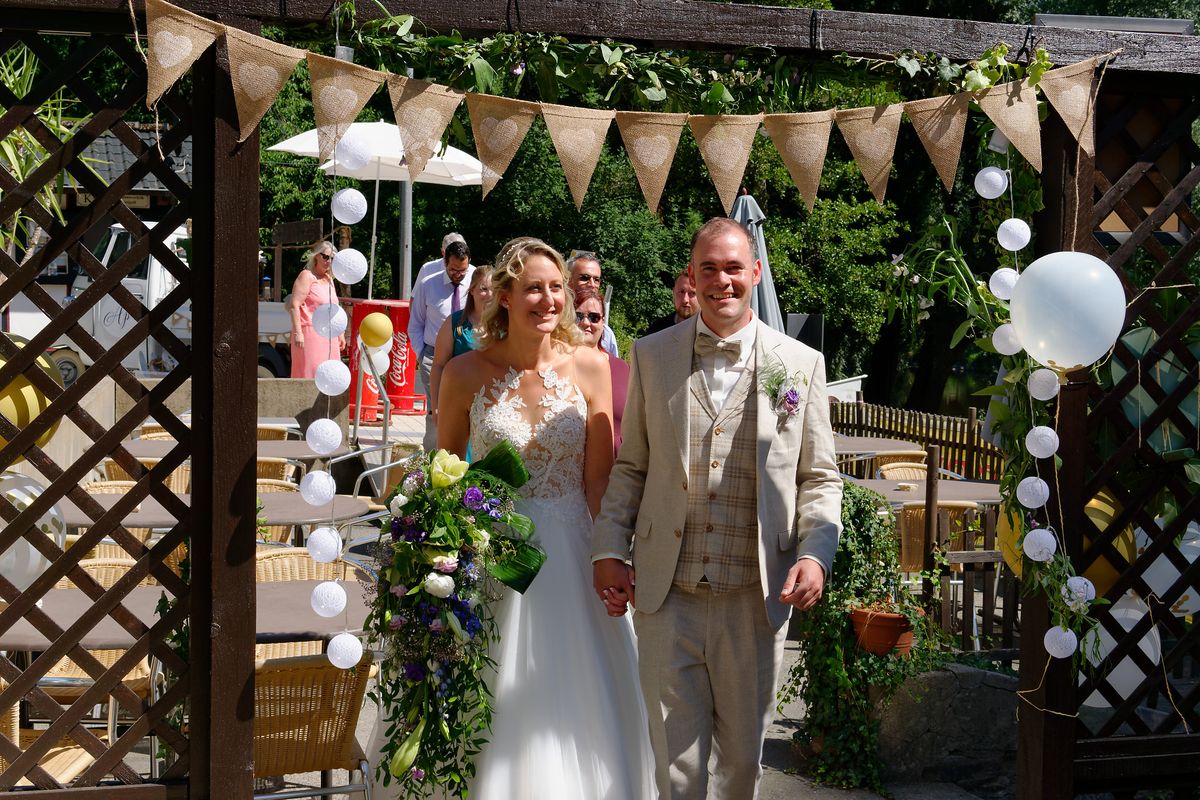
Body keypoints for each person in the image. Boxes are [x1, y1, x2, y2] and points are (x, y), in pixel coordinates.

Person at [591, 217, 843, 800]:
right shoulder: (651, 355)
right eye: (709, 269)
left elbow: (819, 476)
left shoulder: (799, 364)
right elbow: (631, 469)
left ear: (755, 272)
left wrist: (816, 554)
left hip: (755, 598)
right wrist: (609, 546)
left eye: (734, 268)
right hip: (665, 592)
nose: (721, 281)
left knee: (739, 768)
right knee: (674, 767)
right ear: (692, 276)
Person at [437, 237, 655, 799]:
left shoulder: (591, 366)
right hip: (494, 559)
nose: (549, 299)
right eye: (534, 287)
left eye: (556, 287)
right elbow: (448, 474)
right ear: (505, 295)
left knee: (577, 700)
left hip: (572, 557)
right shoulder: (464, 373)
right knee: (491, 696)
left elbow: (599, 479)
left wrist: (614, 553)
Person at [408, 239, 473, 451]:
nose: (458, 274)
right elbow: (416, 323)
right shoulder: (429, 283)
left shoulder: (476, 282)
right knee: (436, 408)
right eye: (454, 269)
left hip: (464, 355)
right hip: (432, 356)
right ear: (445, 262)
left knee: (463, 408)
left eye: (462, 270)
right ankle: (432, 456)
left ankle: (460, 454)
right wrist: (421, 354)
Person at [427, 264, 493, 425]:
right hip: (458, 404)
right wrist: (436, 405)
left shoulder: (507, 325)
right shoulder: (455, 322)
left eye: (495, 289)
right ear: (472, 290)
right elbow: (438, 366)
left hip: (493, 406)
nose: (490, 295)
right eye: (483, 289)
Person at [574, 283, 629, 455]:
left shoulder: (622, 368)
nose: (585, 323)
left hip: (616, 469)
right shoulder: (559, 364)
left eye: (594, 317)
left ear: (603, 321)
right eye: (578, 316)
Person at [288, 240, 345, 378]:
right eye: (326, 257)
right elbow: (294, 305)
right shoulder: (306, 276)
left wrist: (340, 333)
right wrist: (298, 333)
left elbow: (335, 308)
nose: (329, 261)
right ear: (316, 256)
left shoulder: (329, 279)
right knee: (311, 374)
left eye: (332, 258)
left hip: (329, 333)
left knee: (330, 375)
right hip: (310, 333)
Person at [566, 250, 619, 357]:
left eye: (596, 279)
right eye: (585, 278)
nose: (592, 284)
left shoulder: (606, 335)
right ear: (568, 280)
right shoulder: (552, 323)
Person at [645, 269, 698, 335]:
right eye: (681, 292)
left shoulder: (712, 329)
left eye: (692, 293)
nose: (685, 300)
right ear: (673, 292)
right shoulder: (657, 330)